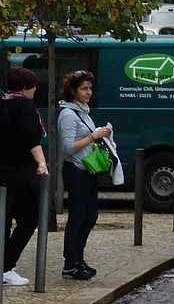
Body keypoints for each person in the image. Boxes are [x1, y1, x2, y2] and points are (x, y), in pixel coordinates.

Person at [58, 70, 113, 281]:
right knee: (78, 217)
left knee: (90, 216)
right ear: (73, 91)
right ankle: (70, 263)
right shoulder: (68, 114)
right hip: (76, 169)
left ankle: (78, 258)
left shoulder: (83, 112)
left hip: (88, 169)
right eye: (83, 88)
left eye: (90, 88)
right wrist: (93, 136)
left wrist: (102, 134)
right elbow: (69, 148)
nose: (88, 92)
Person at [0, 66, 49, 287]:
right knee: (29, 219)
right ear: (27, 86)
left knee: (4, 220)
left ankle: (4, 265)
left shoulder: (3, 103)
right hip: (21, 172)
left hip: (2, 171)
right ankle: (6, 267)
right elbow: (32, 138)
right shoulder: (25, 106)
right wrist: (41, 162)